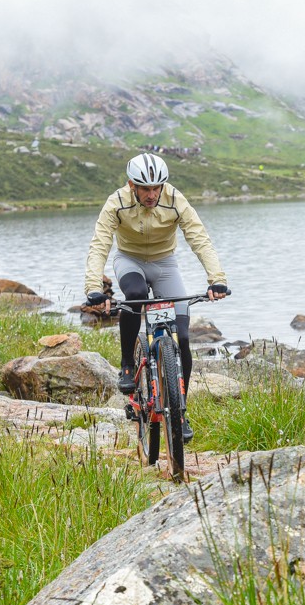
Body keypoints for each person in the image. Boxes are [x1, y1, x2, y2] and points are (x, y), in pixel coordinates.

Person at [84, 153, 228, 442]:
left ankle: (180, 411)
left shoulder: (175, 199)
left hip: (165, 265)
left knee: (182, 338)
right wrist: (93, 288)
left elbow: (199, 238)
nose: (152, 195)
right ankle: (127, 363)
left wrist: (217, 279)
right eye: (145, 189)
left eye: (156, 188)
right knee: (135, 295)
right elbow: (100, 244)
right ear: (132, 185)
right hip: (130, 261)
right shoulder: (117, 202)